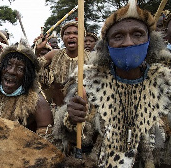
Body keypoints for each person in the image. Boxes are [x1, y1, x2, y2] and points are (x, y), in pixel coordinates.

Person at [53, 0, 171, 167]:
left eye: (137, 34)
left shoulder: (165, 84)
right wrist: (72, 119)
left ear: (150, 41)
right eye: (118, 36)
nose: (128, 42)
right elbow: (82, 141)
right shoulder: (89, 82)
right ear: (107, 45)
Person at [35, 21, 90, 112]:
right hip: (57, 110)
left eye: (76, 33)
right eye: (67, 33)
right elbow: (34, 66)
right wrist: (38, 50)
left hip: (81, 112)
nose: (71, 36)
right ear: (63, 38)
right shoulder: (54, 55)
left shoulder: (90, 58)